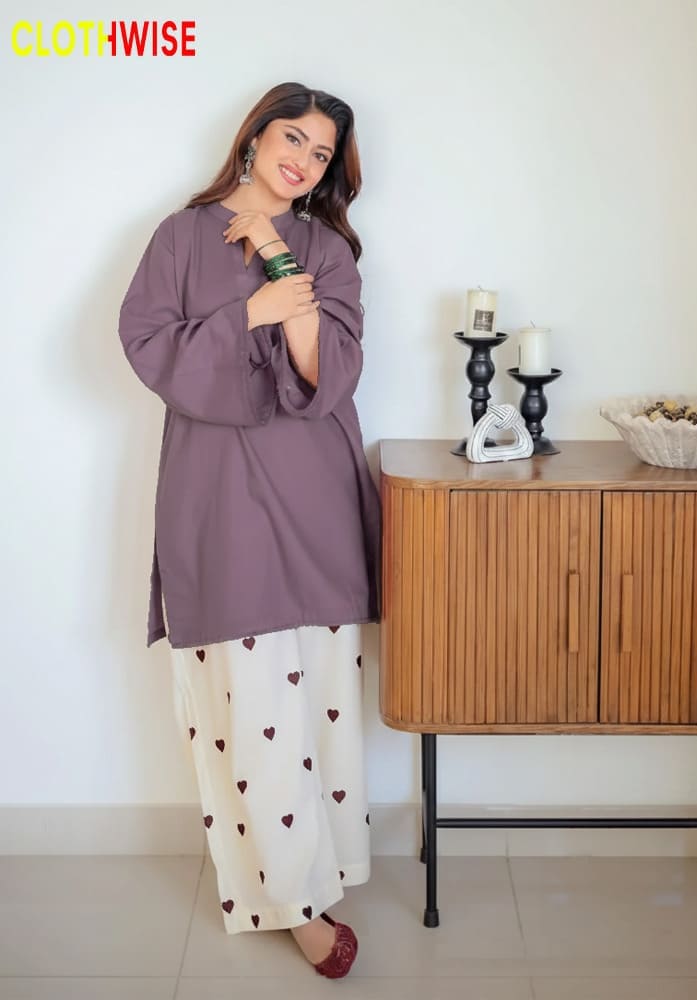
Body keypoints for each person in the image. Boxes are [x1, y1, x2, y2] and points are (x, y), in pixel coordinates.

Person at [118, 81, 381, 979]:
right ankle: (295, 905)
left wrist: (274, 256)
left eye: (320, 155)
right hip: (219, 494)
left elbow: (327, 371)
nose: (302, 161)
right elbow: (150, 346)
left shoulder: (325, 249)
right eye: (292, 139)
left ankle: (317, 871)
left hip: (314, 498)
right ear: (253, 137)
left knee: (314, 706)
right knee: (249, 702)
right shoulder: (179, 238)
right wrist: (245, 317)